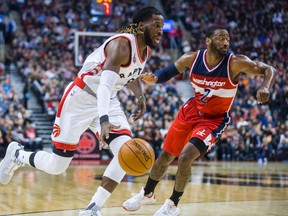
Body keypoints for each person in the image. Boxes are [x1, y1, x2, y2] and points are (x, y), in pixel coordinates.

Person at [0, 6, 164, 216]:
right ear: (141, 27)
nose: (161, 30)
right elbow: (104, 85)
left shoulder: (146, 50)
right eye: (156, 25)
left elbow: (130, 76)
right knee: (57, 165)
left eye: (162, 26)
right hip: (80, 99)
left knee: (125, 152)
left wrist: (140, 96)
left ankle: (93, 207)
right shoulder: (122, 45)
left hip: (109, 100)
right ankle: (18, 154)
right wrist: (104, 119)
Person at [122, 25, 276, 216]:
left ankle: (173, 204)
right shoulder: (192, 59)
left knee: (185, 157)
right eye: (221, 38)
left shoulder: (235, 63)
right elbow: (168, 72)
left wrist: (265, 86)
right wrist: (155, 78)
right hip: (191, 110)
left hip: (214, 119)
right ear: (208, 41)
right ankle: (147, 193)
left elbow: (269, 69)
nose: (226, 42)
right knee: (165, 156)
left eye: (227, 38)